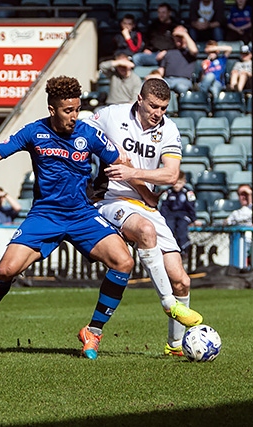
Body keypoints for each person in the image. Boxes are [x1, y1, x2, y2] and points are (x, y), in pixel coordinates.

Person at [0, 75, 136, 361]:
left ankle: (94, 331)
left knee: (124, 261)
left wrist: (136, 187)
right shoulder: (34, 132)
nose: (74, 116)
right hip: (45, 215)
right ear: (52, 109)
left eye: (77, 109)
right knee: (5, 271)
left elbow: (119, 160)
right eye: (68, 110)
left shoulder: (89, 134)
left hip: (82, 214)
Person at [85, 78, 203, 358]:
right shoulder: (112, 115)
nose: (158, 113)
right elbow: (81, 128)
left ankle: (174, 346)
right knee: (145, 231)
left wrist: (133, 172)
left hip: (146, 203)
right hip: (111, 200)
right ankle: (167, 304)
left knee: (182, 281)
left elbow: (171, 174)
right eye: (153, 106)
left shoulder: (169, 130)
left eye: (163, 108)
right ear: (139, 99)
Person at [159, 171, 198, 254]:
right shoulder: (168, 192)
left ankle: (184, 248)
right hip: (171, 215)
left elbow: (191, 206)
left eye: (179, 183)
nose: (177, 185)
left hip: (184, 214)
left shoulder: (188, 192)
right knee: (169, 227)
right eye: (175, 183)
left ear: (184, 182)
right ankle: (170, 248)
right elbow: (164, 206)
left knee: (182, 227)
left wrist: (193, 219)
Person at [157, 26, 199, 95]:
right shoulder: (169, 52)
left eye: (180, 36)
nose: (178, 38)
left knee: (180, 87)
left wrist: (184, 34)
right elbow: (161, 70)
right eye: (176, 36)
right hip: (168, 80)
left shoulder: (189, 51)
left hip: (183, 81)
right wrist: (155, 75)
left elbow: (194, 51)